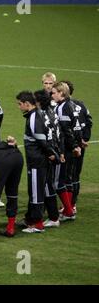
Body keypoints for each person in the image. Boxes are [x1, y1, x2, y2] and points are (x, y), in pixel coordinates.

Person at [16, 91, 57, 233]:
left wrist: (51, 154)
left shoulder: (33, 117)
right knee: (41, 189)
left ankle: (37, 224)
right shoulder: (39, 114)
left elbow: (41, 140)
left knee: (35, 192)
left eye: (20, 104)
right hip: (41, 160)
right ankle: (42, 218)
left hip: (36, 161)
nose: (19, 107)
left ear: (27, 104)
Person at [51, 82, 82, 221]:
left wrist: (72, 146)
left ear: (61, 93)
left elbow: (65, 130)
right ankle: (68, 209)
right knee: (68, 179)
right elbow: (77, 128)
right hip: (73, 147)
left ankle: (68, 211)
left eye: (54, 93)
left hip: (66, 149)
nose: (52, 95)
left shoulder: (62, 108)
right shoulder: (73, 105)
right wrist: (78, 145)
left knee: (59, 181)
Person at [60, 80, 92, 212]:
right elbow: (89, 122)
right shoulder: (81, 104)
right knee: (75, 174)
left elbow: (66, 128)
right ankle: (72, 204)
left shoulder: (64, 106)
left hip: (69, 145)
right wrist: (84, 139)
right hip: (80, 144)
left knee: (67, 175)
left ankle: (69, 206)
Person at [34, 90, 62, 228]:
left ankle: (53, 217)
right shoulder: (52, 112)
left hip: (48, 154)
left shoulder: (42, 115)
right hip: (54, 151)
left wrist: (50, 153)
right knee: (48, 184)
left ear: (38, 102)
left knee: (46, 185)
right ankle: (51, 215)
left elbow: (47, 137)